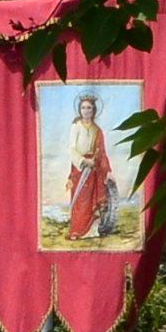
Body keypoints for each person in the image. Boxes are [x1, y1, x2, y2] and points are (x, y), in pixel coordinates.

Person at [62, 91, 117, 239]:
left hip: (93, 168)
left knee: (91, 199)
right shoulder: (76, 126)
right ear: (80, 109)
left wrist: (108, 171)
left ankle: (91, 231)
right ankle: (76, 230)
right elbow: (71, 149)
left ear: (94, 110)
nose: (86, 111)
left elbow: (102, 152)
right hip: (80, 167)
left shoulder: (97, 130)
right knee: (79, 199)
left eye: (89, 108)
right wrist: (83, 161)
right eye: (84, 108)